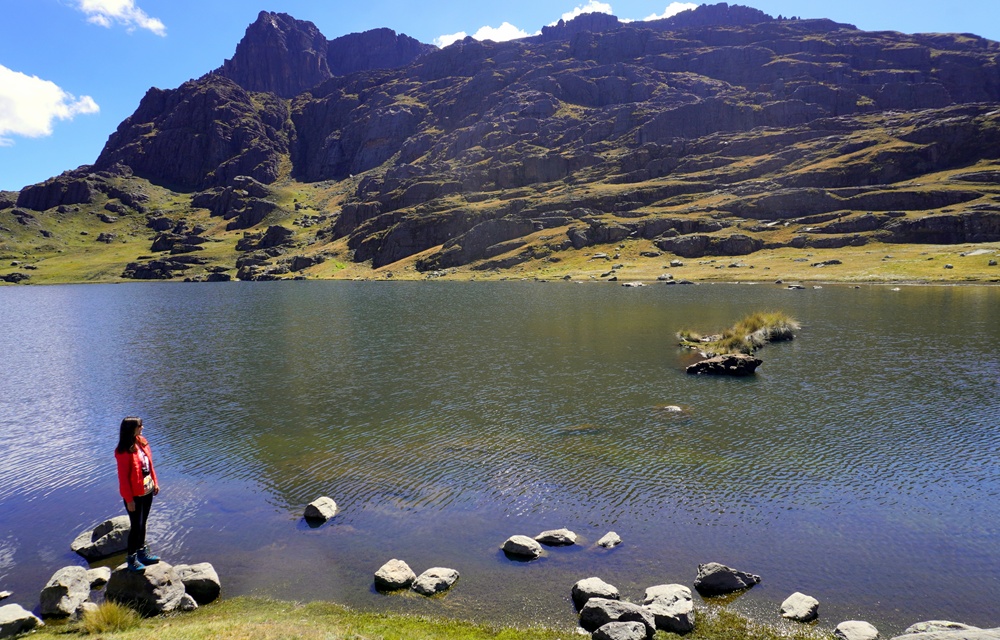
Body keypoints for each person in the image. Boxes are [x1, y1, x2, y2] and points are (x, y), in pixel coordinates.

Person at [115, 416, 161, 571]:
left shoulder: (141, 441)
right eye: (139, 426)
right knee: (136, 526)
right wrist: (129, 500)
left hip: (146, 489)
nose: (142, 428)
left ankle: (142, 553)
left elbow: (149, 465)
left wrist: (155, 482)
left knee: (143, 523)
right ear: (131, 429)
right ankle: (131, 558)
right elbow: (123, 479)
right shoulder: (123, 451)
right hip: (134, 495)